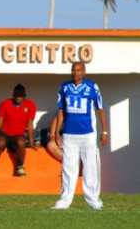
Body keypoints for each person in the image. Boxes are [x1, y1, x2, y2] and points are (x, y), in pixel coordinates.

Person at [52, 61, 108, 210]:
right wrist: (57, 132)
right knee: (68, 169)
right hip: (69, 135)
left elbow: (100, 109)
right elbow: (61, 111)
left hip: (88, 134)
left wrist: (104, 131)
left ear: (84, 72)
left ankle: (94, 201)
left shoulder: (92, 87)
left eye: (78, 70)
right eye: (73, 69)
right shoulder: (64, 87)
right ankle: (63, 202)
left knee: (91, 169)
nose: (75, 72)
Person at [0, 84, 37, 177]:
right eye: (16, 96)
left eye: (20, 96)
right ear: (13, 96)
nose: (18, 98)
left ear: (24, 97)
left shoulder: (30, 105)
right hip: (4, 133)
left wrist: (31, 142)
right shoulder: (5, 103)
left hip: (18, 135)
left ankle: (20, 167)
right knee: (0, 142)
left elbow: (30, 124)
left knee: (21, 143)